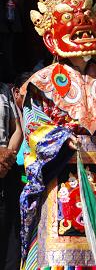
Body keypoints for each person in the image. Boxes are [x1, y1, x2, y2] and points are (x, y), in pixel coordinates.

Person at [19, 0, 96, 268]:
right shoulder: (42, 82)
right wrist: (57, 139)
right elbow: (34, 125)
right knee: (61, 254)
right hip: (63, 173)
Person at [0, 81, 23, 269]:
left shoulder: (5, 90)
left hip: (5, 168)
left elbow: (17, 129)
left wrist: (5, 159)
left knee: (10, 234)